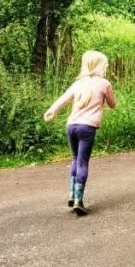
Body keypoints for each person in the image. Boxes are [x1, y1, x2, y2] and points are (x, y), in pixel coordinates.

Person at [43, 50, 117, 215]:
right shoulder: (104, 84)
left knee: (75, 159)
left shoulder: (78, 84)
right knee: (83, 162)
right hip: (87, 128)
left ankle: (71, 193)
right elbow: (112, 104)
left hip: (71, 126)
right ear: (101, 66)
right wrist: (107, 101)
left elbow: (63, 99)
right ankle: (78, 200)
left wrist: (51, 111)